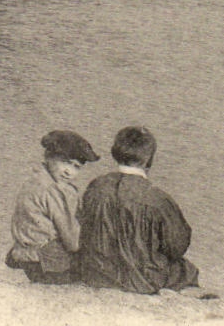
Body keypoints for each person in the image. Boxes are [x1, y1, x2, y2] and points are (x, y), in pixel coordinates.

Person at [76, 126, 200, 294]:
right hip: (142, 280)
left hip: (97, 274)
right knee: (185, 270)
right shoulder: (157, 198)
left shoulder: (96, 186)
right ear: (149, 159)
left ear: (115, 152)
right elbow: (177, 246)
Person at [5, 130, 99, 285]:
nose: (69, 171)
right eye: (65, 162)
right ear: (48, 156)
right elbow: (72, 242)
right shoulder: (53, 191)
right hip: (45, 260)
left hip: (26, 253)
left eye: (76, 167)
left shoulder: (34, 180)